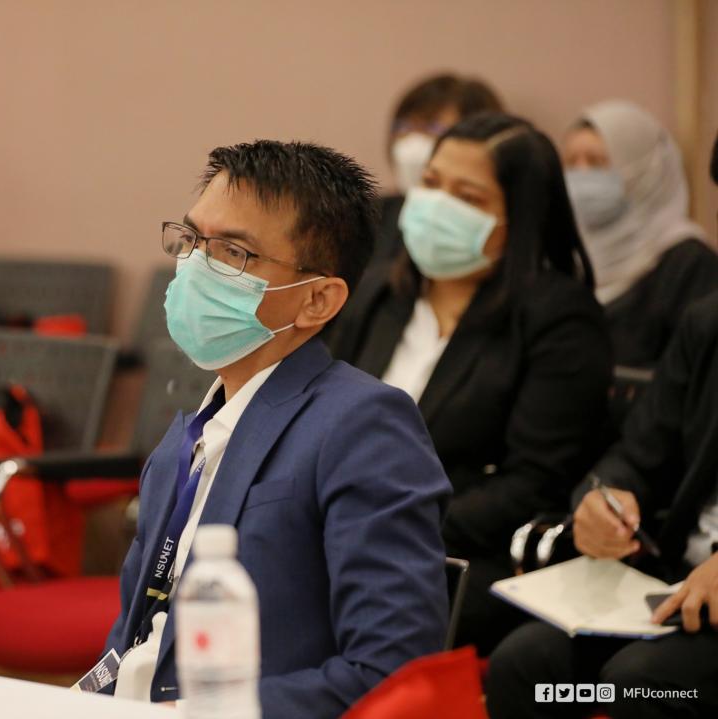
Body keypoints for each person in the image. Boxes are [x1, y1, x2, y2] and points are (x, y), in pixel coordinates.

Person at [101, 140, 451, 718]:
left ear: (317, 300)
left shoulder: (362, 425)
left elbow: (393, 672)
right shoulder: (184, 440)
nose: (195, 266)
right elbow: (132, 643)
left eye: (233, 253)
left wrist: (209, 714)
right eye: (192, 240)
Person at [328, 113, 613, 655]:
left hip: (461, 554)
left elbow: (534, 485)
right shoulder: (380, 295)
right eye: (431, 184)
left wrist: (386, 523)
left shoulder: (560, 319)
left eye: (468, 197)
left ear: (521, 217)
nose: (437, 205)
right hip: (343, 530)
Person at [484, 129, 718, 719]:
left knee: (641, 687)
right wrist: (605, 500)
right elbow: (638, 454)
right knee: (526, 668)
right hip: (677, 582)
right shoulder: (709, 324)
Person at [562, 100, 718, 367]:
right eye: (571, 163)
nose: (581, 175)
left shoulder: (690, 263)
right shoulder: (569, 255)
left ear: (646, 171)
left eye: (597, 162)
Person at [375, 73, 503, 261]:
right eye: (404, 127)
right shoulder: (372, 216)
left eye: (431, 128)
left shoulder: (478, 226)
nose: (413, 140)